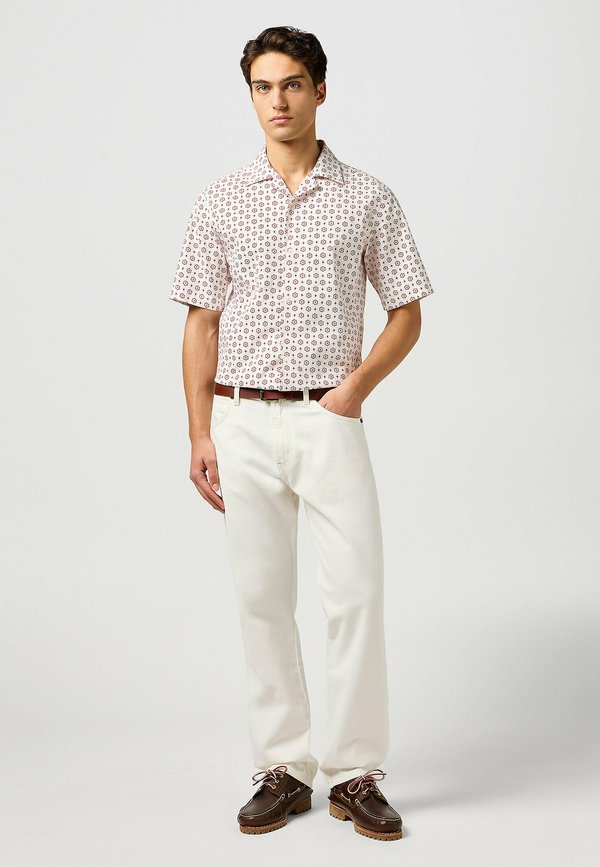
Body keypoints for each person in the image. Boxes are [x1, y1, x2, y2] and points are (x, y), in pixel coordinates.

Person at [169, 25, 434, 842]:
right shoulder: (220, 198)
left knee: (354, 593)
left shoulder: (369, 197)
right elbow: (201, 322)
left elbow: (406, 312)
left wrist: (352, 393)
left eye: (291, 84)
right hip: (240, 419)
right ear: (250, 94)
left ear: (321, 89)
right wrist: (201, 432)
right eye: (262, 86)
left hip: (329, 417)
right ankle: (283, 765)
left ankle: (355, 772)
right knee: (261, 597)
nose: (276, 101)